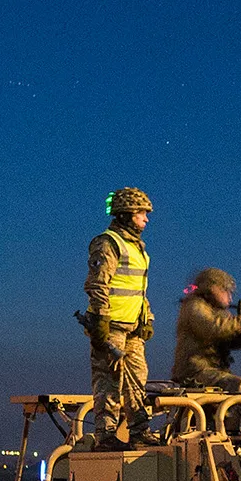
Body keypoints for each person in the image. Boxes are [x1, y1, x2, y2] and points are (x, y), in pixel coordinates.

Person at [83, 187, 156, 449]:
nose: (146, 219)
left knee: (138, 379)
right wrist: (101, 322)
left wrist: (146, 317)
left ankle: (139, 430)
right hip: (111, 326)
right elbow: (98, 285)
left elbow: (138, 288)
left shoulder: (136, 247)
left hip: (133, 328)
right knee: (109, 382)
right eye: (141, 213)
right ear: (126, 214)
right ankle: (106, 435)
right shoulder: (108, 243)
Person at [172, 268, 241, 393]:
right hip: (195, 372)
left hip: (211, 370)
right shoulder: (194, 305)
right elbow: (213, 328)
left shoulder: (217, 312)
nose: (230, 298)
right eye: (226, 291)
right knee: (239, 386)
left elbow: (231, 342)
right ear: (212, 287)